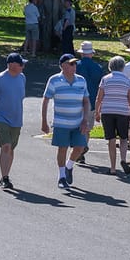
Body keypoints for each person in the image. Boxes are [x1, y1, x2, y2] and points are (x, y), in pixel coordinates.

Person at [40, 52, 91, 193]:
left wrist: (85, 120)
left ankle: (69, 166)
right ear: (63, 66)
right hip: (61, 122)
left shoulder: (81, 80)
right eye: (71, 64)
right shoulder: (54, 80)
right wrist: (44, 121)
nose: (74, 66)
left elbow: (86, 101)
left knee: (80, 147)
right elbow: (45, 100)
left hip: (78, 121)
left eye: (75, 64)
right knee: (62, 148)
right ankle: (62, 176)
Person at [0, 51, 28, 191]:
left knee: (11, 148)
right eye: (20, 64)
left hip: (17, 119)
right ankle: (5, 178)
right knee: (6, 146)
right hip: (2, 118)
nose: (23, 66)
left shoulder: (22, 77)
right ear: (11, 65)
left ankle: (6, 174)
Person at [97, 54, 130, 172]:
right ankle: (123, 159)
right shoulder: (127, 80)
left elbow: (99, 98)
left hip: (107, 111)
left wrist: (97, 112)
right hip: (122, 111)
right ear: (122, 67)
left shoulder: (105, 79)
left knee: (111, 139)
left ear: (110, 66)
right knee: (124, 138)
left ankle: (113, 168)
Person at [71, 41, 105, 170]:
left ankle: (79, 148)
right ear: (91, 54)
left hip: (76, 99)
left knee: (77, 125)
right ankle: (83, 146)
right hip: (91, 99)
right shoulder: (98, 68)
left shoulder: (76, 66)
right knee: (87, 127)